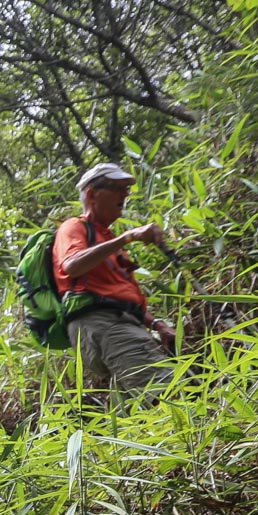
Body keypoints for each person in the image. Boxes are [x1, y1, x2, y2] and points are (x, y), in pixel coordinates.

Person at [54, 162, 176, 398]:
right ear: (92, 194)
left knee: (135, 406)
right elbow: (72, 264)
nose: (125, 194)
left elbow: (117, 295)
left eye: (126, 189)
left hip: (118, 324)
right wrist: (127, 237)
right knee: (168, 392)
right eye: (117, 188)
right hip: (103, 326)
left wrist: (157, 325)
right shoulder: (74, 227)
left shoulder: (107, 239)